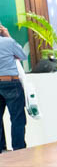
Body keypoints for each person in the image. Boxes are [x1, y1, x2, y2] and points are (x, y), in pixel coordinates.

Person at [0, 21, 28, 152]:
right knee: (17, 118)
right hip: (11, 82)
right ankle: (19, 150)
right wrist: (8, 35)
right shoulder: (8, 42)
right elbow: (22, 56)